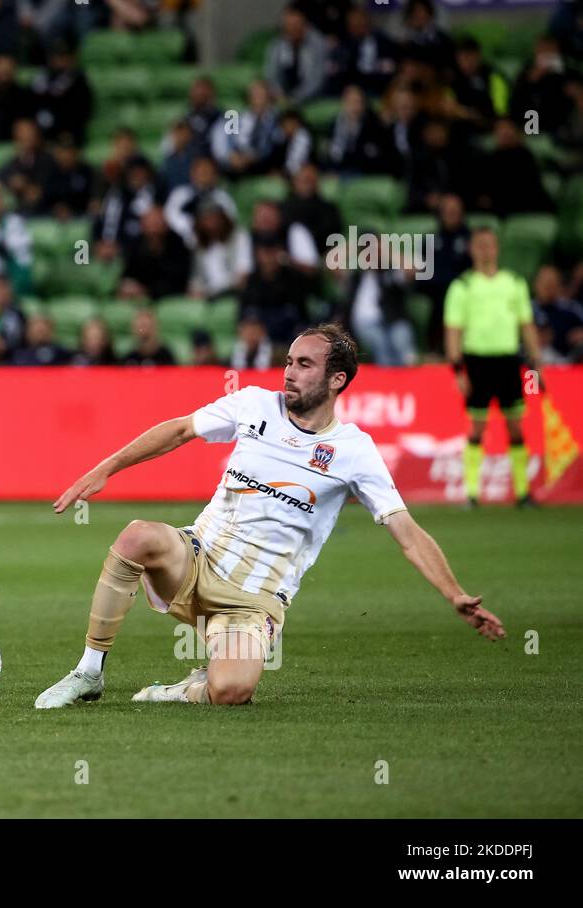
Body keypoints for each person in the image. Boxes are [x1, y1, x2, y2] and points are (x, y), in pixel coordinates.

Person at [36, 324, 505, 708]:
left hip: (254, 601)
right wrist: (106, 468)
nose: (290, 372)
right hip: (197, 558)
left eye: (305, 364)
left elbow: (405, 531)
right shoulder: (254, 405)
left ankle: (188, 688)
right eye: (288, 361)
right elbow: (180, 430)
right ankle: (88, 673)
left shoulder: (354, 451)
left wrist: (455, 594)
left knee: (232, 692)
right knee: (137, 536)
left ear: (336, 379)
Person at [444, 228, 542, 507]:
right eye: (480, 245)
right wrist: (457, 370)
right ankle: (472, 493)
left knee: (516, 427)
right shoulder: (462, 286)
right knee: (476, 428)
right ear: (472, 249)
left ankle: (523, 493)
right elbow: (453, 330)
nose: (485, 250)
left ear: (497, 248)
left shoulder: (514, 283)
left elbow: (527, 325)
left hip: (509, 362)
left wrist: (535, 364)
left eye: (490, 245)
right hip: (476, 362)